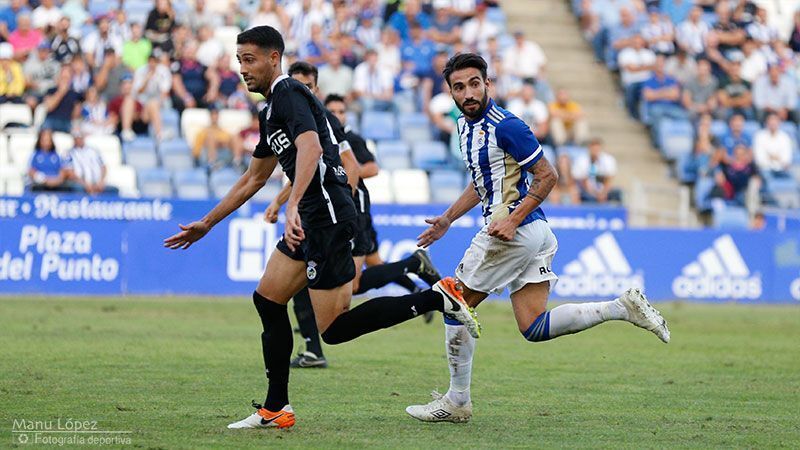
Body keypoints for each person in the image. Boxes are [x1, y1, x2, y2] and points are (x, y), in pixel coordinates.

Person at [163, 26, 477, 429]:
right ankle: (276, 408)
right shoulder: (270, 111)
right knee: (268, 300)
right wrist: (207, 223)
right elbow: (253, 179)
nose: (242, 69)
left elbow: (310, 147)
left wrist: (292, 205)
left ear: (273, 58)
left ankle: (437, 297)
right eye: (239, 60)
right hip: (310, 218)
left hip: (326, 218)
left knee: (334, 330)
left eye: (249, 59)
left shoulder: (289, 92)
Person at [404, 53, 669, 423]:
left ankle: (457, 401)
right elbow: (483, 182)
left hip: (514, 231)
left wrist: (512, 221)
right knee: (533, 326)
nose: (468, 93)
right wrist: (448, 218)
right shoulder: (465, 128)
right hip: (534, 233)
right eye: (459, 87)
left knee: (454, 303)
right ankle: (620, 307)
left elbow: (548, 176)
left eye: (474, 84)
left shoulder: (507, 126)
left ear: (487, 84)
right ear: (449, 92)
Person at [264, 63, 441, 368]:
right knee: (315, 286)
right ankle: (313, 349)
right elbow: (305, 174)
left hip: (344, 214)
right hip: (323, 215)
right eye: (296, 85)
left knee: (352, 287)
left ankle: (415, 268)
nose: (300, 91)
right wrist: (280, 202)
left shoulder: (329, 125)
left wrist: (337, 207)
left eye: (307, 85)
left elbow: (359, 169)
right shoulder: (296, 122)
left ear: (315, 89)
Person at [65, 131, 117, 195]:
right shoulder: (69, 153)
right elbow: (69, 173)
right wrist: (85, 184)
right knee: (77, 188)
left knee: (113, 190)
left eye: (80, 137)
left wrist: (101, 182)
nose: (79, 139)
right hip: (81, 184)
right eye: (77, 137)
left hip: (97, 183)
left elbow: (103, 167)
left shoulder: (94, 150)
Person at [572, 137, 623, 203]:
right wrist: (594, 193)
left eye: (597, 149)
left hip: (604, 190)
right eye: (593, 149)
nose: (595, 151)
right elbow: (583, 180)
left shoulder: (608, 160)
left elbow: (609, 179)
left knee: (618, 193)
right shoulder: (582, 160)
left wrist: (603, 193)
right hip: (586, 190)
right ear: (589, 148)